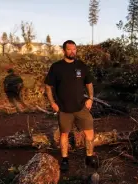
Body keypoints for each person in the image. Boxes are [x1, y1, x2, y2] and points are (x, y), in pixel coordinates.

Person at [44, 40, 98, 172]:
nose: (72, 51)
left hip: (81, 108)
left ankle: (89, 157)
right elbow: (47, 86)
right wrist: (52, 103)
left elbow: (89, 83)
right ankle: (65, 159)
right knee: (64, 135)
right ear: (64, 51)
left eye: (74, 49)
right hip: (64, 109)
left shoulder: (81, 66)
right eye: (69, 49)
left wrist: (90, 98)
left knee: (89, 133)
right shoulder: (56, 67)